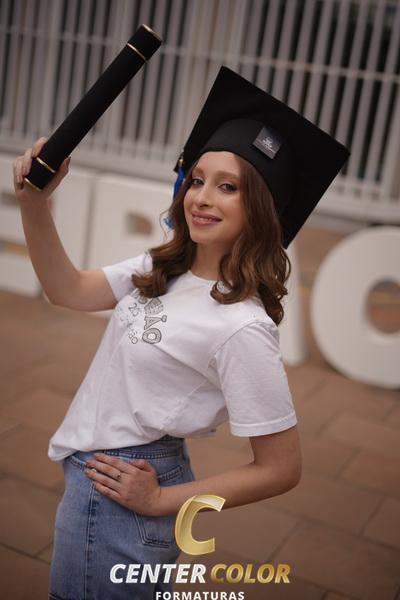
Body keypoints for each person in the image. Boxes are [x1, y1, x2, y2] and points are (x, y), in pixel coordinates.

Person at [13, 66, 350, 600]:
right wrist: (35, 203)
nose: (201, 197)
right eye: (197, 180)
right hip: (101, 478)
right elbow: (68, 289)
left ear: (262, 208)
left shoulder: (242, 325)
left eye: (227, 187)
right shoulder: (164, 267)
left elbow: (281, 469)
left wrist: (160, 502)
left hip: (126, 492)